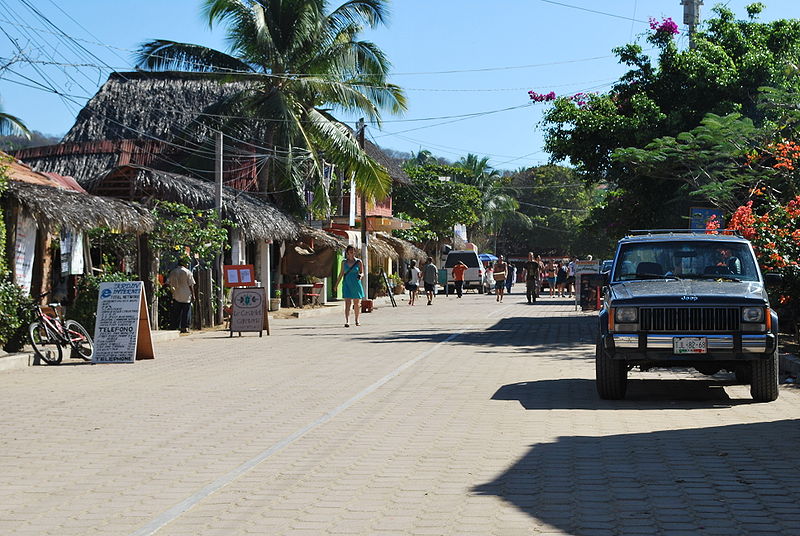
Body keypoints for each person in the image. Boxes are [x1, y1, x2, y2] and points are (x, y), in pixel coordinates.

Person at [334, 245, 364, 327]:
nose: (352, 252)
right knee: (347, 303)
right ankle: (347, 321)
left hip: (356, 284)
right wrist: (336, 285)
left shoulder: (359, 262)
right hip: (346, 284)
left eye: (354, 251)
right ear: (347, 252)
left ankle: (357, 320)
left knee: (357, 303)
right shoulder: (344, 262)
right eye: (351, 251)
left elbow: (362, 272)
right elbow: (341, 274)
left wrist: (360, 275)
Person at [167, 256, 195, 333]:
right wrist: (193, 294)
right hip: (186, 295)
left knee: (177, 312)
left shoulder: (173, 272)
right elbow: (191, 284)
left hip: (176, 294)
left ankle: (175, 326)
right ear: (185, 264)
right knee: (186, 312)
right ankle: (185, 327)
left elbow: (168, 283)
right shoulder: (188, 272)